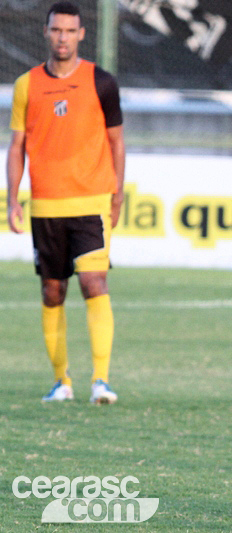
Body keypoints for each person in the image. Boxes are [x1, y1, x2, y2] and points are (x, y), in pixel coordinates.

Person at [5, 1, 126, 404]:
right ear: (46, 32)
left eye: (70, 31)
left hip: (90, 202)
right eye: (56, 30)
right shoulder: (26, 85)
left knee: (95, 283)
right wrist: (13, 199)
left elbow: (116, 142)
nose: (63, 37)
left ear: (81, 34)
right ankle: (62, 382)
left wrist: (118, 191)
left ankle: (101, 381)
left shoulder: (101, 82)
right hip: (46, 207)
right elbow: (17, 145)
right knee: (52, 292)